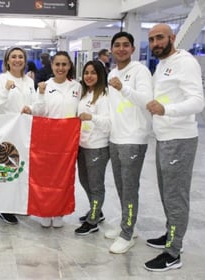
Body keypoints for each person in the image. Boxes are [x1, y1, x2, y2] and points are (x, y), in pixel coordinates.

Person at [144, 23, 204, 272]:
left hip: (179, 139)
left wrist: (167, 110)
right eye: (152, 39)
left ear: (172, 38)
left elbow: (198, 102)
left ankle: (173, 252)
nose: (156, 43)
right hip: (164, 138)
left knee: (176, 196)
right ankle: (170, 234)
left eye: (160, 38)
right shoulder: (162, 65)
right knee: (167, 192)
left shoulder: (185, 61)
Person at [106, 31, 153, 254]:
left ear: (133, 49)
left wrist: (123, 88)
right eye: (117, 45)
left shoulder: (140, 71)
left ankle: (127, 234)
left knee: (130, 187)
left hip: (133, 139)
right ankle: (128, 225)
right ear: (112, 49)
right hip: (115, 138)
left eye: (126, 45)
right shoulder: (113, 72)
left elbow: (146, 100)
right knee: (121, 186)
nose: (121, 49)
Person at [27, 51, 81, 228]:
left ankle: (59, 212)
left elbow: (78, 111)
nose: (60, 68)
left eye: (64, 64)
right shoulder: (44, 85)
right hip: (47, 139)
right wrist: (41, 94)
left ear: (69, 66)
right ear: (52, 65)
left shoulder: (76, 87)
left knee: (64, 178)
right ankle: (45, 211)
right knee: (47, 178)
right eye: (57, 64)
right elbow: (39, 112)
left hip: (67, 140)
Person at [0, 46, 35, 224]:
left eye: (21, 57)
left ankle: (19, 204)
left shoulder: (29, 81)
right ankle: (4, 207)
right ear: (7, 60)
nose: (17, 60)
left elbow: (34, 103)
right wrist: (6, 90)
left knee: (23, 168)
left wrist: (30, 108)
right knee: (8, 168)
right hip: (7, 131)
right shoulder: (2, 79)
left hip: (26, 131)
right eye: (14, 57)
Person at [74, 60, 110, 235]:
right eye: (86, 72)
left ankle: (93, 221)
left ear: (100, 74)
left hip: (97, 146)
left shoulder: (105, 96)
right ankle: (97, 210)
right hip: (82, 145)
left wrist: (92, 117)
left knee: (96, 185)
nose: (89, 76)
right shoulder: (84, 94)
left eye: (93, 72)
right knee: (84, 181)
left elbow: (109, 123)